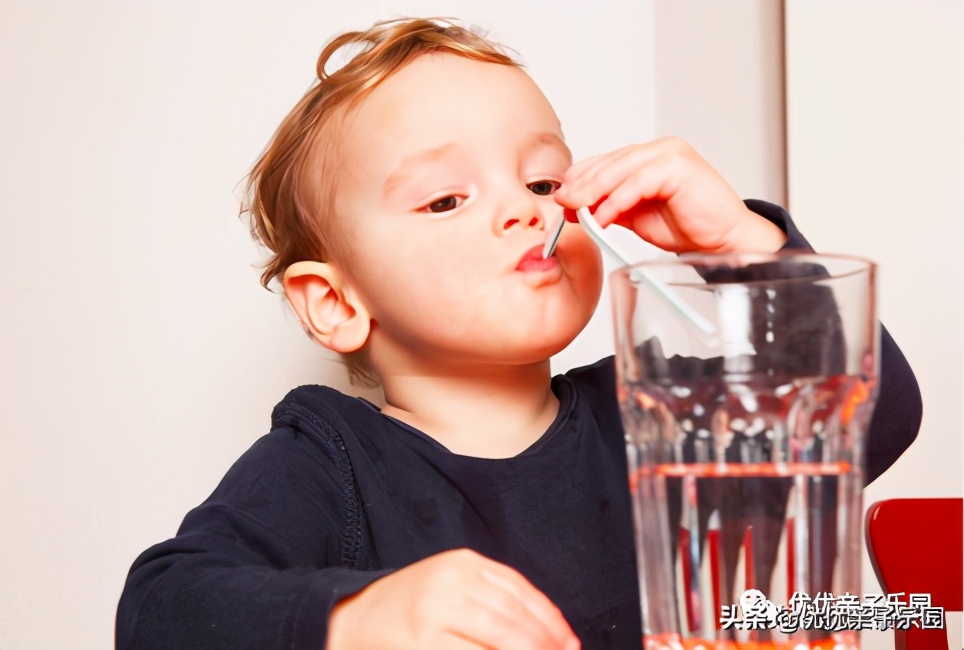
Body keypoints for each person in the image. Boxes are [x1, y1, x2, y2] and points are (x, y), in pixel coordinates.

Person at [115, 17, 922, 650]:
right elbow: (159, 610)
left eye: (543, 180)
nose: (528, 209)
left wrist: (740, 246)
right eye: (446, 200)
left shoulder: (650, 408)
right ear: (335, 301)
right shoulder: (326, 462)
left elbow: (870, 419)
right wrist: (354, 619)